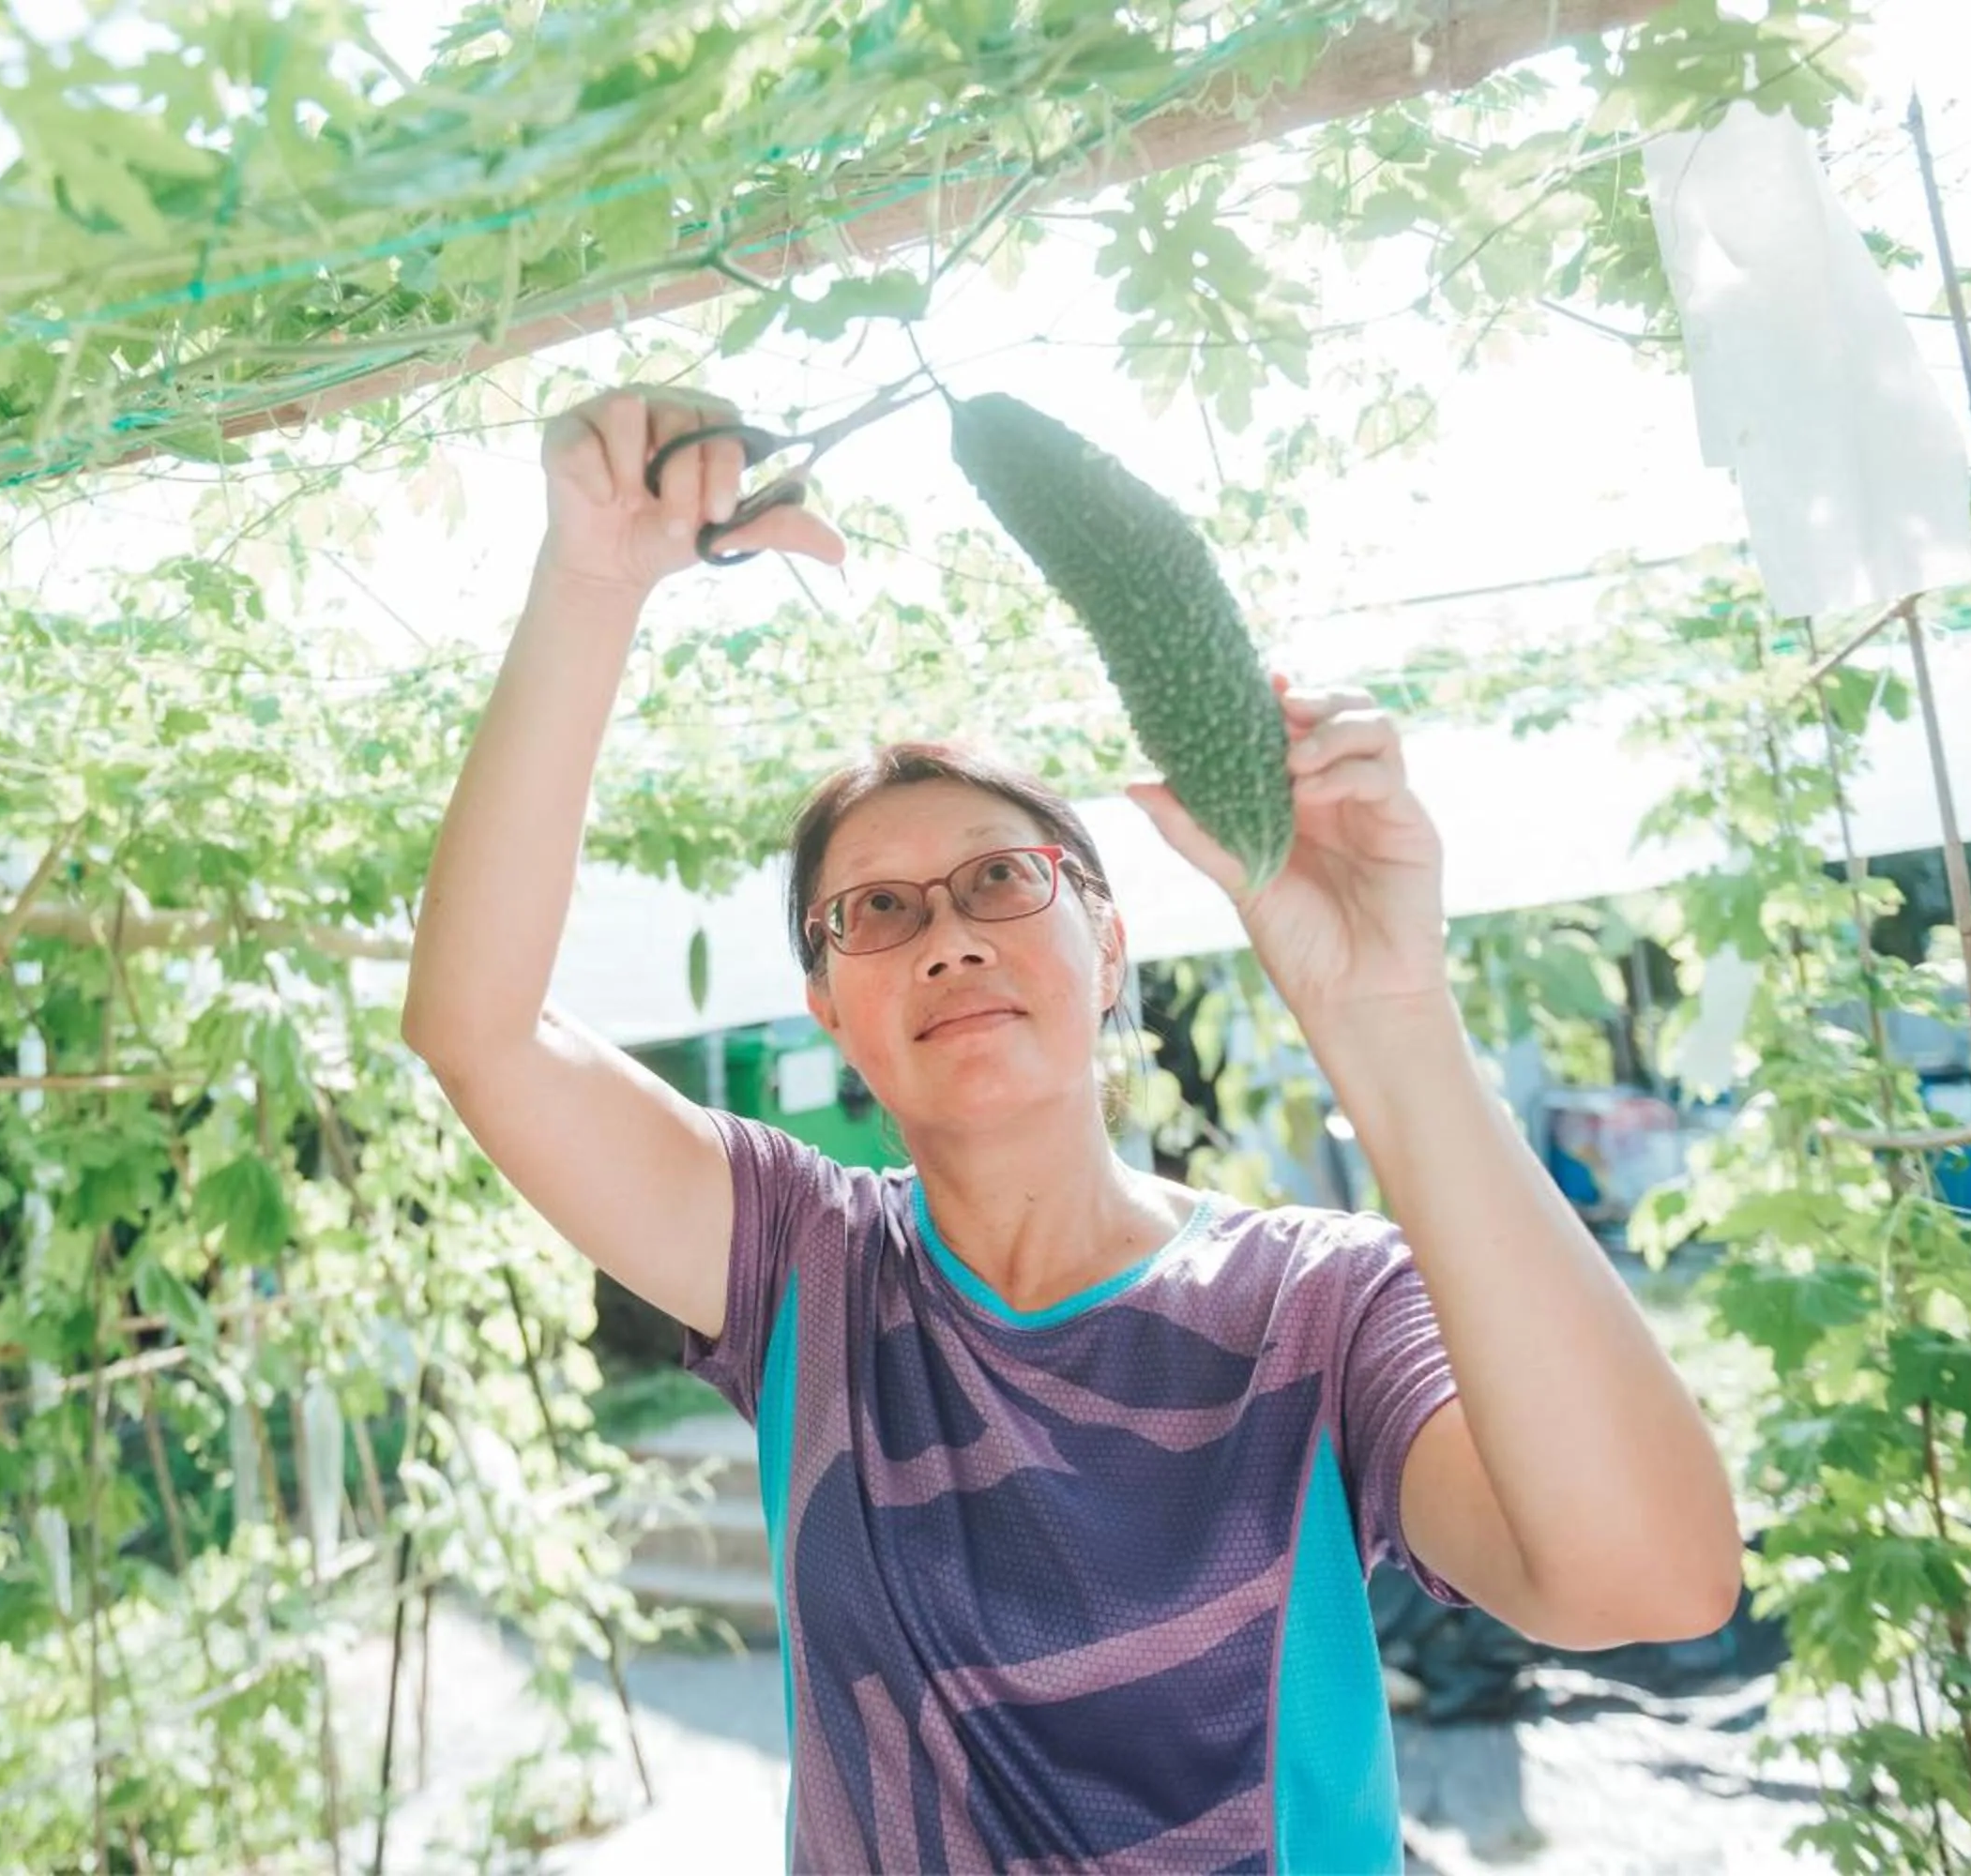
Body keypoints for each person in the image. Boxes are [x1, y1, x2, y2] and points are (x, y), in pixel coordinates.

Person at [402, 386, 1741, 1872]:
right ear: (828, 1009)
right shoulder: (804, 1265)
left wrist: (1391, 1009)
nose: (948, 939)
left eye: (1001, 881)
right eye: (878, 912)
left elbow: (1650, 1580)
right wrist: (592, 579)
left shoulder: (1317, 1305)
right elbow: (481, 1031)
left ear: (1110, 952)